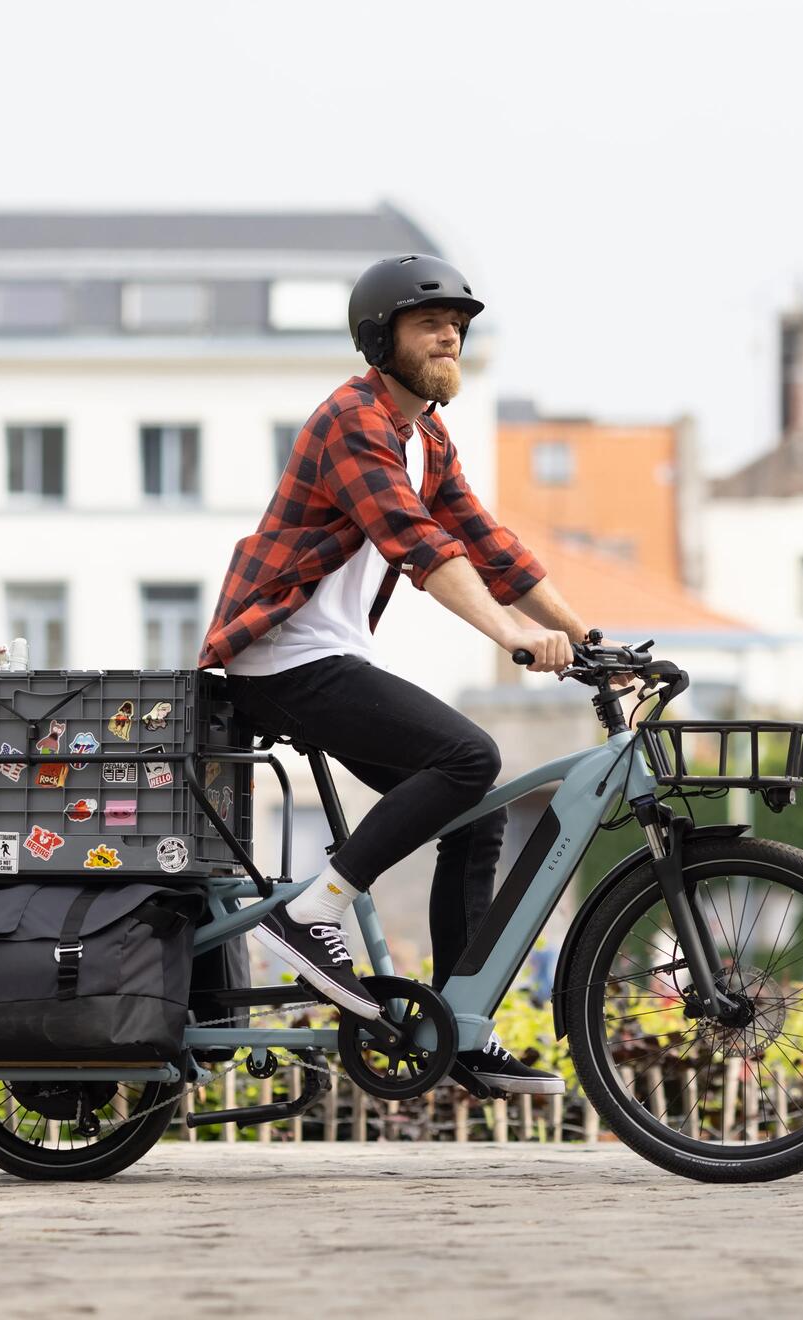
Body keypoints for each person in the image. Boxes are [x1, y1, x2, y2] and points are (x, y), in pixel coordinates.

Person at [198, 254, 588, 1096]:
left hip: (327, 655)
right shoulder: (353, 419)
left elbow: (486, 541)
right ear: (382, 337)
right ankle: (313, 913)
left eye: (458, 323)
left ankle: (460, 1026)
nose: (450, 333)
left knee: (477, 817)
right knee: (470, 758)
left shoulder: (426, 436)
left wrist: (584, 634)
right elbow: (419, 545)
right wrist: (514, 637)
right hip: (277, 657)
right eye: (429, 322)